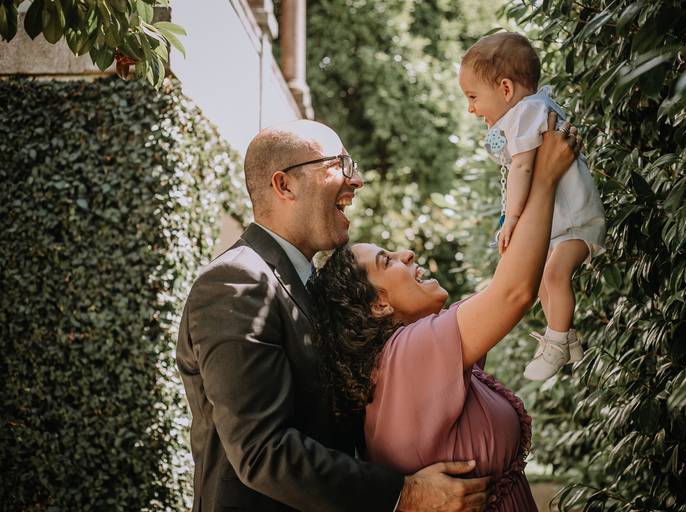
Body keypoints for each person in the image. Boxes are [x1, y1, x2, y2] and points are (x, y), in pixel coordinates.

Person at [176, 120, 493, 512]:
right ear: (284, 185)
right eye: (339, 164)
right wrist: (404, 494)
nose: (356, 181)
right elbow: (262, 451)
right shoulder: (237, 282)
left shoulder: (310, 283)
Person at [308, 112, 581, 511]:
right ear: (380, 304)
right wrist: (545, 178)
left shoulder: (412, 355)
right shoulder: (406, 356)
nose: (408, 253)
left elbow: (508, 279)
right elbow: (513, 293)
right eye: (388, 260)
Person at [458, 32, 606, 380]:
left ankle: (555, 344)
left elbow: (523, 168)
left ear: (506, 89)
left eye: (473, 96)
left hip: (576, 220)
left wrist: (510, 220)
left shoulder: (526, 113)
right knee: (543, 276)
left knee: (554, 275)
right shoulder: (528, 112)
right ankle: (566, 339)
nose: (471, 108)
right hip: (562, 223)